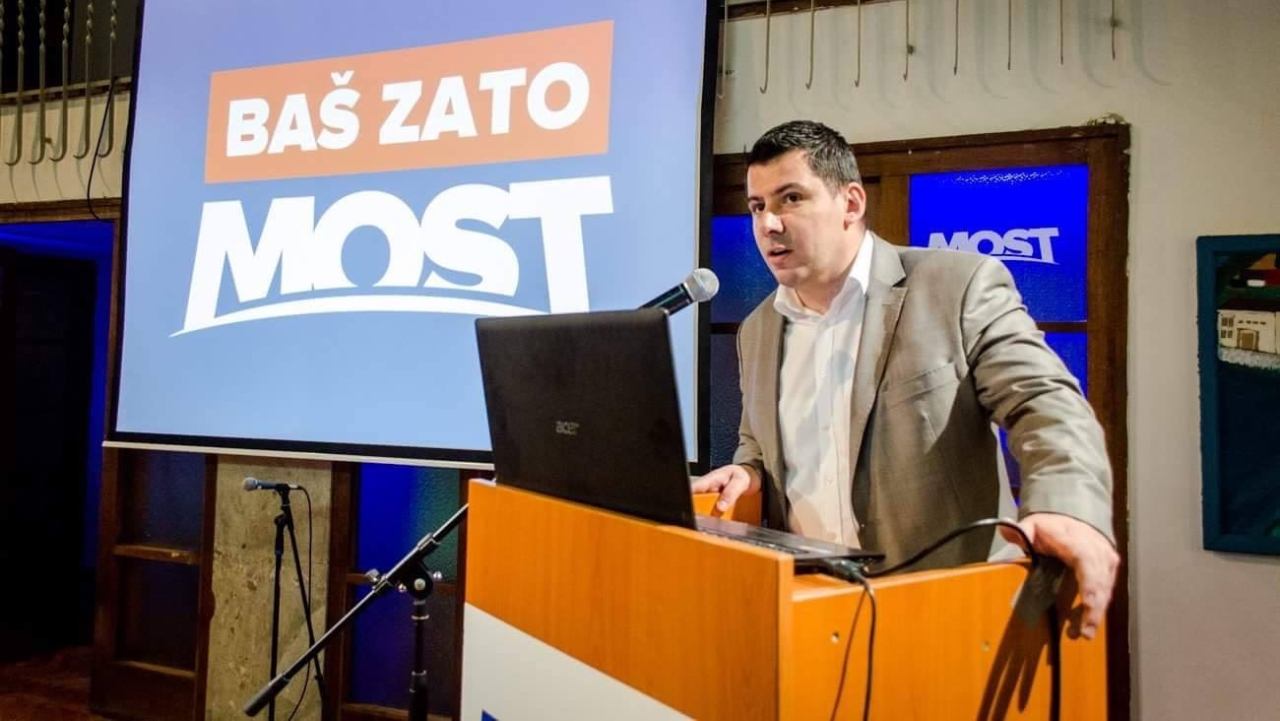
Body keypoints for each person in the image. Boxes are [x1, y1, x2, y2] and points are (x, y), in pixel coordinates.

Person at [692, 120, 1118, 639]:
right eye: (758, 206)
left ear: (851, 203)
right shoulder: (758, 328)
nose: (769, 224)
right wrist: (749, 471)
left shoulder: (955, 287)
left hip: (946, 613)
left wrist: (1068, 507)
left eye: (791, 199)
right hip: (813, 613)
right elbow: (757, 441)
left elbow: (1044, 402)